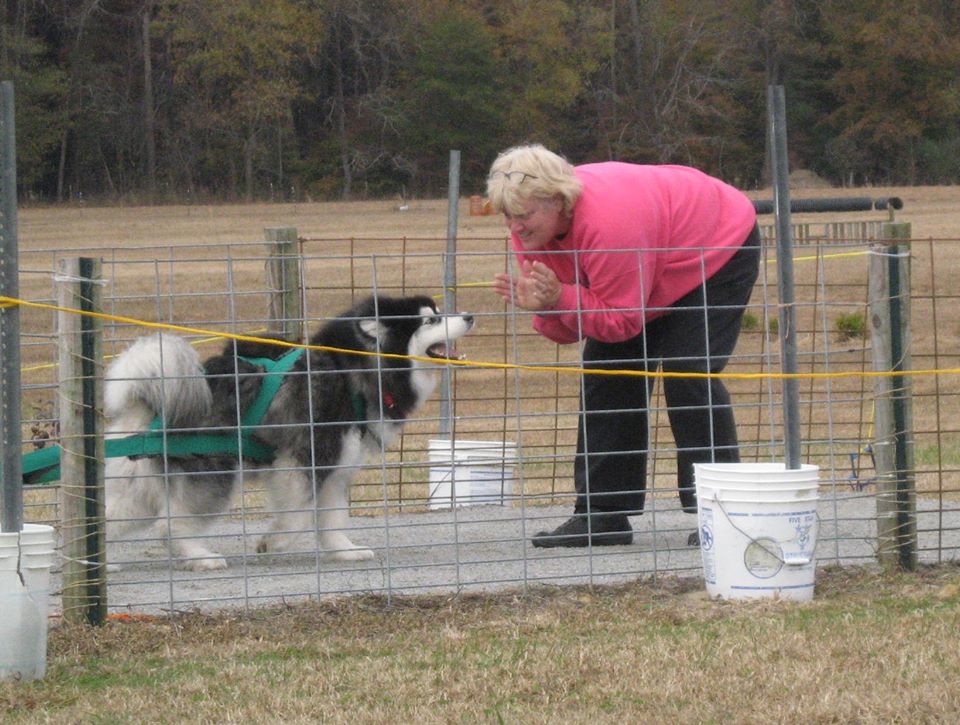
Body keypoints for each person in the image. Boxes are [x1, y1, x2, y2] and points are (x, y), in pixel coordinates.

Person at [487, 143, 760, 548]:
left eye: (523, 215)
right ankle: (602, 514)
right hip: (647, 263)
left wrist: (561, 298)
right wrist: (547, 307)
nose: (515, 226)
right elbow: (575, 328)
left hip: (716, 248)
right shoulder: (530, 234)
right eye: (506, 215)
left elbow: (621, 320)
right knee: (606, 369)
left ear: (560, 201)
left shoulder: (610, 221)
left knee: (689, 372)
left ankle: (722, 514)